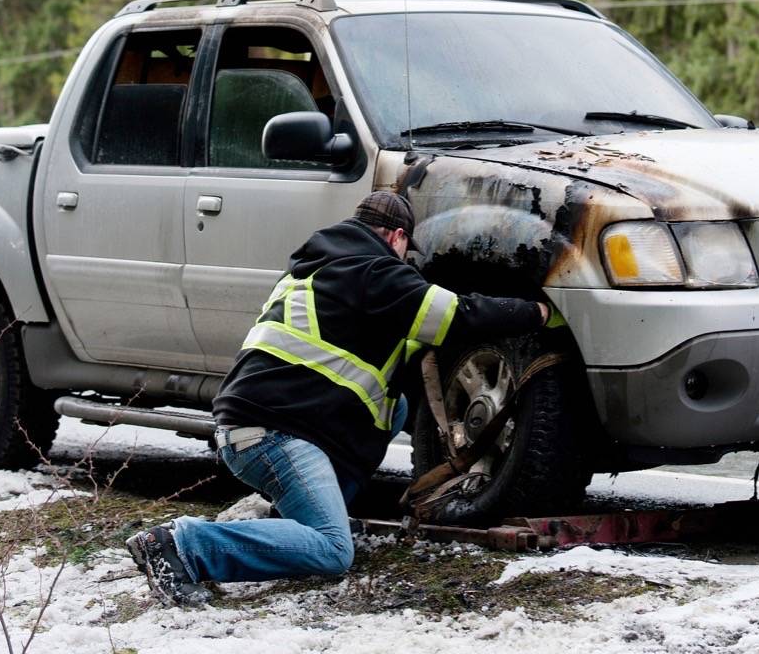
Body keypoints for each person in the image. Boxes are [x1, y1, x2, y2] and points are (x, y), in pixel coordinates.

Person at [126, 191, 550, 605]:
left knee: (393, 406)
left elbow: (384, 371)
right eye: (406, 251)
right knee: (332, 550)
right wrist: (539, 313)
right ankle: (182, 545)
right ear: (397, 237)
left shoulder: (314, 270)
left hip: (256, 430)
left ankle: (286, 528)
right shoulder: (372, 270)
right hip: (276, 436)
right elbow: (457, 314)